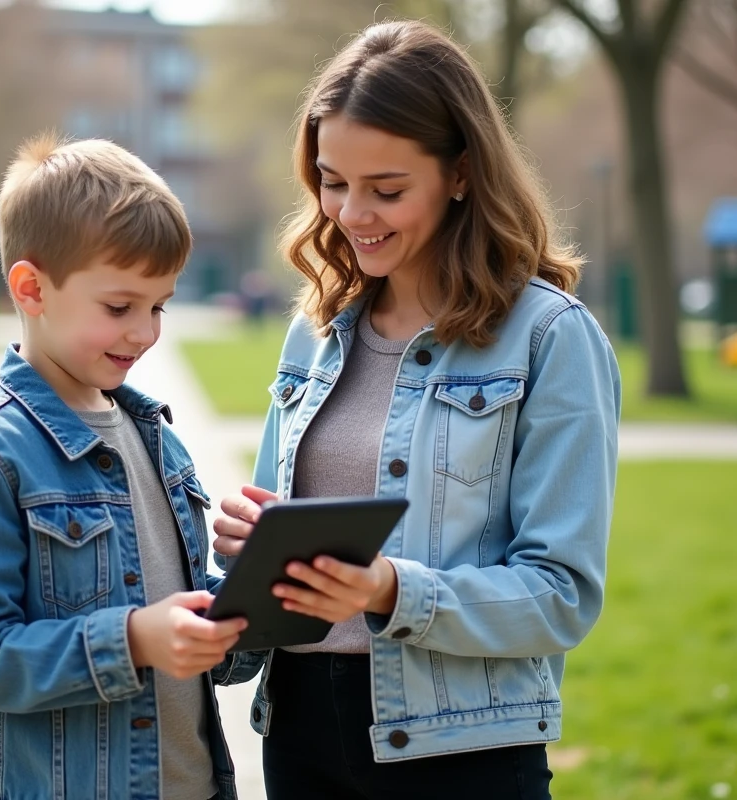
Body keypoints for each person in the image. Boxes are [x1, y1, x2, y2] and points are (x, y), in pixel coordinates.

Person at [210, 20, 621, 800]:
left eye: (387, 190)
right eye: (333, 181)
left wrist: (389, 590)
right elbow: (278, 569)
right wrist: (243, 571)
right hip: (298, 733)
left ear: (461, 173)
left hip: (460, 753)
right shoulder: (317, 329)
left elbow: (563, 594)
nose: (351, 213)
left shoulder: (548, 338)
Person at [0, 134, 247, 800]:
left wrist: (252, 593)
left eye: (159, 307)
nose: (145, 332)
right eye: (119, 307)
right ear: (32, 288)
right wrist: (131, 641)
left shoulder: (157, 440)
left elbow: (184, 633)